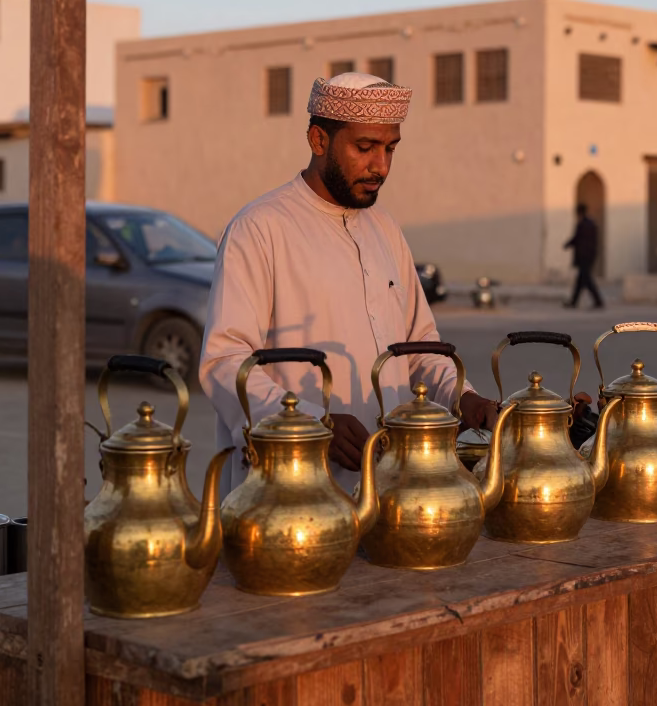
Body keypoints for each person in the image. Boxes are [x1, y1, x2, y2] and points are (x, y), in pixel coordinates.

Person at [200, 71, 499, 494]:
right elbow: (225, 361)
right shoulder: (260, 228)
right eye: (365, 148)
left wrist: (461, 396)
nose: (381, 166)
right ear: (319, 140)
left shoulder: (386, 229)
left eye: (390, 148)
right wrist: (311, 425)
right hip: (291, 499)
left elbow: (419, 350)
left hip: (391, 493)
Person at [563, 202, 604, 309]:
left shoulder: (582, 224)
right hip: (590, 255)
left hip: (583, 256)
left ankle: (598, 301)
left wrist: (567, 244)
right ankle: (573, 302)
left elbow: (577, 238)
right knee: (581, 280)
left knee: (586, 279)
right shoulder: (592, 223)